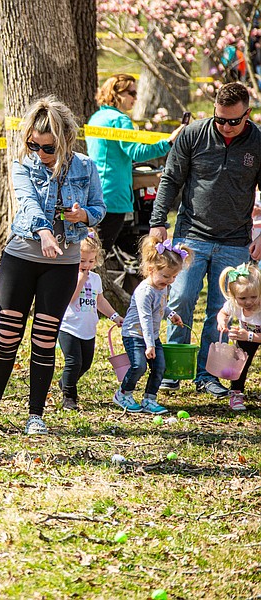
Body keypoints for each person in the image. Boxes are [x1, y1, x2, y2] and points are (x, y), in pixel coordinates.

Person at [0, 96, 106, 435]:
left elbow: (99, 207)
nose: (40, 153)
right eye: (34, 145)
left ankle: (36, 414)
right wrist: (44, 231)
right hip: (22, 256)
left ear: (64, 141)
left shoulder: (86, 167)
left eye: (48, 148)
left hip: (63, 263)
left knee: (45, 338)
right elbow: (27, 202)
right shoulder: (22, 164)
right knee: (8, 333)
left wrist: (84, 216)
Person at [149, 82, 261, 398]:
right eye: (220, 119)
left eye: (233, 121)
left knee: (221, 310)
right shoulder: (193, 135)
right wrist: (158, 222)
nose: (226, 127)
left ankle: (208, 374)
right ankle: (172, 370)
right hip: (190, 235)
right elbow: (170, 179)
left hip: (235, 240)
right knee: (180, 298)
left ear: (247, 115)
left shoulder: (257, 143)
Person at [86, 74, 183, 253]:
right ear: (116, 93)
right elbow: (136, 152)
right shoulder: (120, 120)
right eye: (131, 92)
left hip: (93, 192)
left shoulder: (96, 118)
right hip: (113, 196)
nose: (136, 98)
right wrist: (168, 143)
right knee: (97, 255)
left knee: (91, 252)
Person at [114, 236, 192, 415]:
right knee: (139, 366)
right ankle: (123, 393)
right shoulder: (145, 291)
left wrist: (171, 314)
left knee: (159, 367)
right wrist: (149, 345)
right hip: (135, 334)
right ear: (150, 269)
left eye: (174, 276)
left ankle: (150, 398)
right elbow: (145, 318)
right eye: (165, 276)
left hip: (151, 336)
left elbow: (161, 306)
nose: (169, 280)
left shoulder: (162, 286)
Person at [57, 231, 123, 410]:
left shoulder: (95, 279)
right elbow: (69, 299)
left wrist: (115, 316)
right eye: (82, 261)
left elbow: (99, 300)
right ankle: (69, 396)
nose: (86, 265)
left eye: (91, 261)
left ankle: (65, 381)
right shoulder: (68, 276)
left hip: (88, 329)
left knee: (85, 363)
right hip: (69, 326)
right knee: (74, 361)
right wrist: (79, 281)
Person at [216, 263, 261, 411]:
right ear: (234, 296)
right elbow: (223, 313)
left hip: (249, 335)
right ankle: (236, 393)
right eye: (242, 298)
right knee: (239, 363)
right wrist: (222, 322)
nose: (248, 302)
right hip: (246, 337)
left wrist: (248, 335)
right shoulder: (233, 304)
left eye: (254, 297)